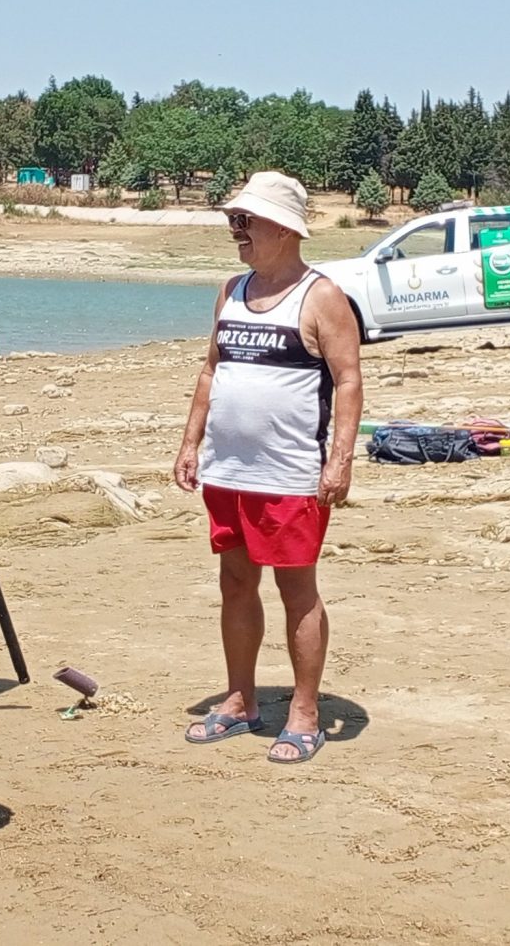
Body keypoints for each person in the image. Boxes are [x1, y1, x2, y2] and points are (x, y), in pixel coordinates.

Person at [173, 171, 363, 765]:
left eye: (245, 220)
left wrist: (340, 460)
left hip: (290, 474)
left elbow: (348, 381)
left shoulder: (322, 296)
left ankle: (305, 712)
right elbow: (211, 369)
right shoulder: (231, 290)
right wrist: (190, 443)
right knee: (234, 582)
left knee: (296, 590)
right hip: (227, 470)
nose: (236, 230)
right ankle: (240, 700)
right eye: (234, 220)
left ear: (283, 228)